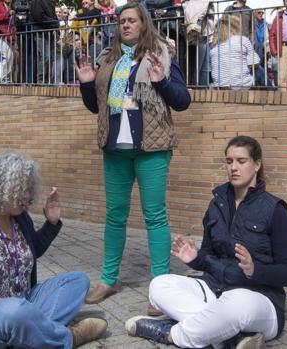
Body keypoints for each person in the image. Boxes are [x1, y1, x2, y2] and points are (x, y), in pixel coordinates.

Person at [125, 136, 287, 349]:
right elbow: (209, 256)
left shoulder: (275, 210)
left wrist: (256, 270)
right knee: (159, 285)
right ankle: (228, 336)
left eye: (241, 161)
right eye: (229, 161)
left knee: (235, 305)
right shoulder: (217, 203)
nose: (233, 167)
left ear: (257, 165)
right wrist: (195, 258)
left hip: (258, 299)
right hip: (215, 290)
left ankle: (171, 333)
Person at [76, 2, 190, 315]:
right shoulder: (107, 59)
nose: (125, 25)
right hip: (115, 149)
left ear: (143, 24)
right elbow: (94, 107)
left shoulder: (161, 55)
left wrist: (161, 80)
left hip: (152, 148)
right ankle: (108, 279)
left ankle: (161, 287)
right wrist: (87, 83)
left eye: (131, 20)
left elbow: (183, 101)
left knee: (154, 215)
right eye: (121, 21)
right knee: (115, 214)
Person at [0, 152, 107, 349]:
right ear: (0, 185)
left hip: (23, 304)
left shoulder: (19, 219)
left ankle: (29, 335)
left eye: (29, 188)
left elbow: (31, 251)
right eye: (20, 188)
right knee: (13, 312)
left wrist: (52, 223)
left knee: (78, 281)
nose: (27, 196)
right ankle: (69, 337)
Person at [210, 14, 260, 90]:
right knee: (259, 70)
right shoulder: (242, 40)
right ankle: (272, 92)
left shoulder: (213, 45)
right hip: (241, 85)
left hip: (220, 87)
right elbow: (255, 63)